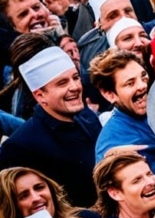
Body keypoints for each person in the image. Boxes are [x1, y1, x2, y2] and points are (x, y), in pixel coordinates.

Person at [0, 46, 101, 206]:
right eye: (62, 83)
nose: (74, 87)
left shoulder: (87, 116)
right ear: (40, 95)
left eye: (75, 77)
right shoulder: (20, 147)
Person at [91, 50, 155, 175]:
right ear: (109, 94)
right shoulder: (112, 145)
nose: (142, 85)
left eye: (143, 76)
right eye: (130, 83)